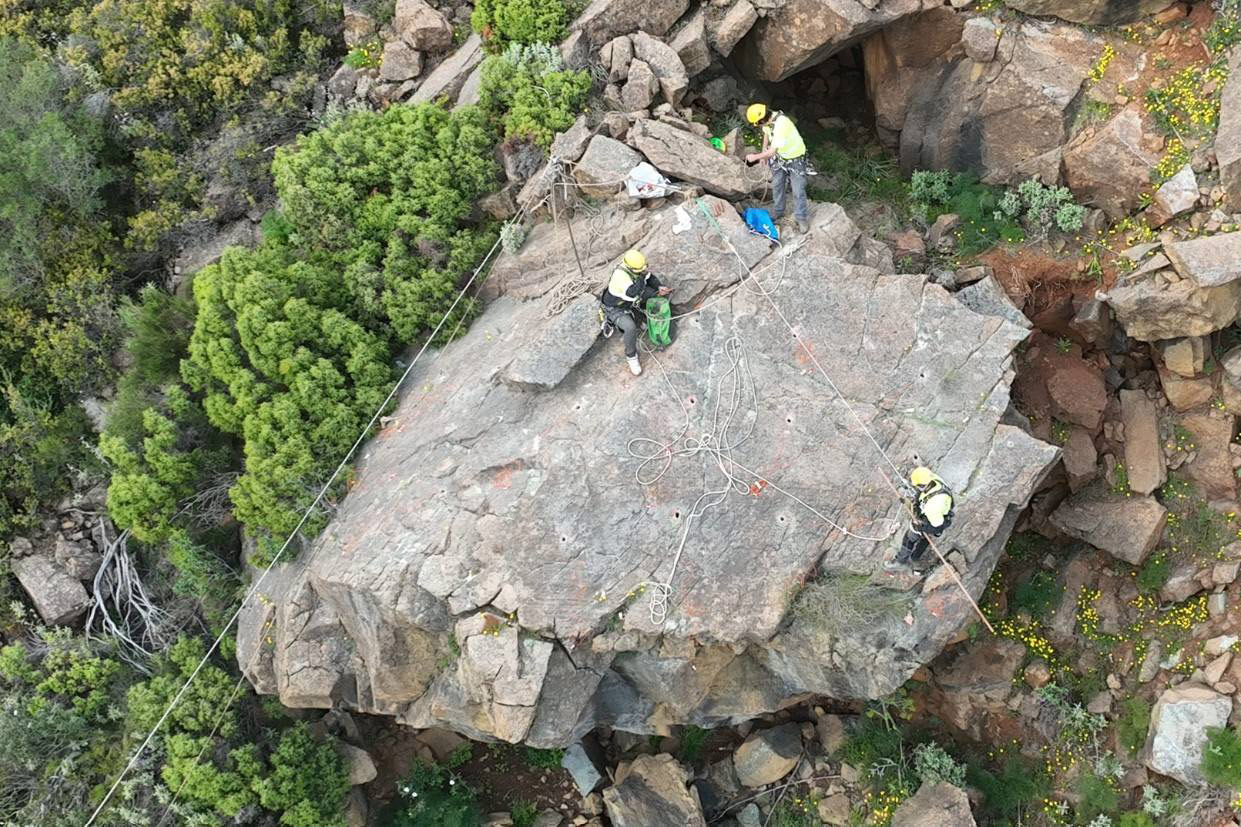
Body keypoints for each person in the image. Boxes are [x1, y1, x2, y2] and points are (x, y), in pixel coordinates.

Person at [600, 249, 670, 376]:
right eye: (640, 270)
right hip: (616, 307)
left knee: (655, 295)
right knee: (630, 328)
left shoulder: (635, 269)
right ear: (630, 267)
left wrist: (658, 287)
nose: (642, 271)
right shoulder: (620, 277)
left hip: (630, 300)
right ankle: (631, 356)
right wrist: (642, 276)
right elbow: (633, 293)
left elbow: (649, 278)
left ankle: (642, 318)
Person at [745, 103, 810, 234]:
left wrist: (756, 157)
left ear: (762, 119)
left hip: (795, 158)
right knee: (777, 185)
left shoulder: (781, 124)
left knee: (798, 190)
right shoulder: (769, 120)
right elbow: (766, 134)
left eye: (757, 124)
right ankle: (778, 211)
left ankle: (801, 218)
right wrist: (763, 150)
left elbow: (772, 152)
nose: (757, 126)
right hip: (781, 157)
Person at [885, 466, 955, 572]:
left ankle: (900, 562)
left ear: (922, 485)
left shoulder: (932, 507)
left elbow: (936, 527)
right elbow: (921, 493)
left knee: (910, 538)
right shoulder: (934, 479)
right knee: (926, 539)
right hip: (942, 512)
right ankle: (915, 557)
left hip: (935, 520)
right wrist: (914, 502)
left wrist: (921, 527)